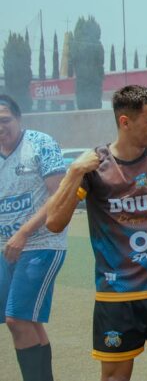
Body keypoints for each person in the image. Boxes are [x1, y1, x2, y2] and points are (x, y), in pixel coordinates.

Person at [45, 85, 147, 381]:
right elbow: (54, 223)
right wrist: (74, 172)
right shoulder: (96, 166)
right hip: (118, 295)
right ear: (125, 122)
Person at [0, 94, 67, 381]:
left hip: (41, 244)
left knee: (17, 320)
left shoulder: (40, 143)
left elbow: (59, 194)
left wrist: (24, 232)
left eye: (5, 120)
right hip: (6, 249)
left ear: (18, 118)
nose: (0, 127)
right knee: (28, 322)